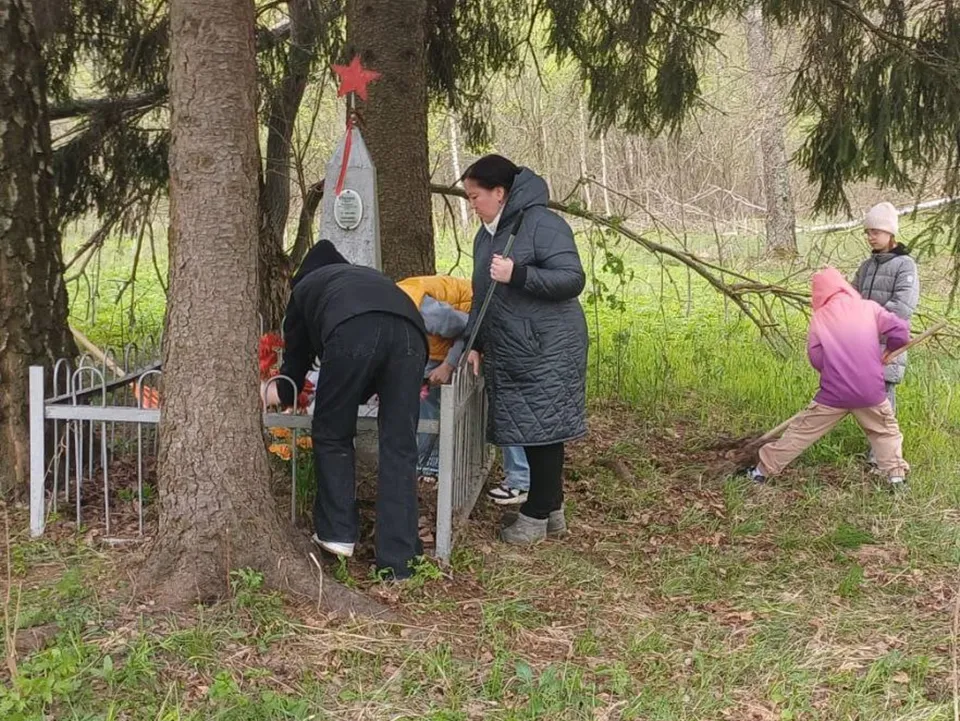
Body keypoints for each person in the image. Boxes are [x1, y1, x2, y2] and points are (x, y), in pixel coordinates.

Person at [265, 239, 428, 579]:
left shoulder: (305, 290)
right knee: (400, 445)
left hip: (353, 331)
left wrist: (270, 391)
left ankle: (337, 532)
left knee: (332, 431)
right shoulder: (365, 277)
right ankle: (400, 561)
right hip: (412, 334)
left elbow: (293, 370)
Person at [461, 154, 588, 543]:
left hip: (550, 344)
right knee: (535, 428)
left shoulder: (543, 224)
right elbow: (482, 294)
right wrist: (475, 343)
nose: (471, 204)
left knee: (543, 431)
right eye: (468, 197)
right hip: (514, 346)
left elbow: (571, 279)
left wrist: (519, 274)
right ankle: (553, 514)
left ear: (499, 193)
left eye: (475, 195)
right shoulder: (487, 235)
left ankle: (535, 517)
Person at [745, 267, 911, 489]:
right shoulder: (869, 308)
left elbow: (815, 356)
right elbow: (900, 331)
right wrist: (888, 351)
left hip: (834, 393)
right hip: (870, 391)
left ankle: (760, 472)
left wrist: (834, 369)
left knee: (801, 432)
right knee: (885, 431)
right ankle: (896, 477)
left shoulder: (820, 317)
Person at [396, 275, 530, 501]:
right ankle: (430, 465)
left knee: (504, 406)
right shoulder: (390, 314)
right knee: (426, 399)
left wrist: (449, 365)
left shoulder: (429, 313)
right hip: (438, 342)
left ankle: (520, 479)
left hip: (481, 326)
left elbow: (471, 326)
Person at [851, 202, 919, 462]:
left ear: (890, 233)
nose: (871, 237)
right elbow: (852, 296)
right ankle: (874, 453)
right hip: (862, 344)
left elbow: (902, 306)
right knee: (865, 399)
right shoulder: (867, 266)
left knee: (884, 403)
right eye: (867, 232)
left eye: (876, 232)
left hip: (887, 346)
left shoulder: (905, 266)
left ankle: (884, 459)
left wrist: (868, 320)